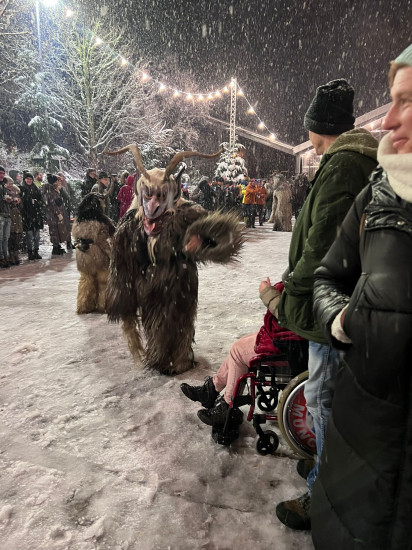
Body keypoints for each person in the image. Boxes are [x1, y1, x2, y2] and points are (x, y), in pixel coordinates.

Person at [310, 44, 412, 550]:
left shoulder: (343, 169)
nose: (388, 120)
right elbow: (327, 274)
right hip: (359, 454)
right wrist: (342, 321)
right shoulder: (378, 192)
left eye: (407, 102)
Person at [274, 79, 379, 531]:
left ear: (321, 127)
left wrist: (292, 289)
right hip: (340, 301)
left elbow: (323, 247)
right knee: (328, 399)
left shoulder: (344, 166)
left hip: (329, 305)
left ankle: (324, 495)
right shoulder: (349, 161)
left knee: (325, 402)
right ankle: (324, 469)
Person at [180, 281, 307, 424]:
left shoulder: (311, 276)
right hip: (294, 339)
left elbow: (289, 315)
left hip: (293, 344)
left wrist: (268, 292)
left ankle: (227, 407)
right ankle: (211, 389)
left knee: (238, 352)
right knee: (240, 344)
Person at [72, 193, 116, 314]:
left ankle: (84, 305)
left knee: (86, 280)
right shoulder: (102, 221)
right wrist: (111, 254)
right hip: (97, 254)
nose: (104, 205)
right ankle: (103, 304)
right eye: (102, 203)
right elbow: (102, 241)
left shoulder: (79, 219)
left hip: (82, 253)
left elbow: (75, 236)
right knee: (103, 280)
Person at [42, 173, 72, 255]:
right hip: (53, 214)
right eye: (57, 181)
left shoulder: (55, 190)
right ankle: (55, 247)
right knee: (54, 230)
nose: (59, 182)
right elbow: (52, 204)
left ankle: (57, 246)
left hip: (53, 214)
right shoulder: (51, 191)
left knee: (57, 229)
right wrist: (58, 213)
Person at [20, 172, 44, 260]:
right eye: (27, 179)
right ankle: (30, 252)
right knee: (29, 235)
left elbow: (41, 200)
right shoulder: (22, 189)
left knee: (37, 235)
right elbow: (21, 202)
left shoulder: (35, 189)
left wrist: (37, 203)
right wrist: (28, 201)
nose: (29, 181)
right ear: (24, 179)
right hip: (27, 215)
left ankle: (36, 251)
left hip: (36, 215)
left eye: (30, 179)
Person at [4, 176, 23, 265]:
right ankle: (10, 255)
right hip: (9, 214)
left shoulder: (16, 192)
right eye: (9, 184)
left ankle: (16, 254)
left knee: (17, 235)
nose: (10, 185)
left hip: (16, 215)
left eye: (11, 184)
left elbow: (20, 205)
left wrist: (18, 202)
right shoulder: (4, 192)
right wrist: (11, 202)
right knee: (10, 236)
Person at [0, 167, 13, 268]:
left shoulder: (4, 186)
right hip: (0, 214)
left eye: (3, 173)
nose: (2, 175)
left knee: (6, 237)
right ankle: (1, 257)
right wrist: (3, 200)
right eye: (0, 173)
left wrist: (12, 200)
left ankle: (6, 255)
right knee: (0, 237)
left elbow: (8, 198)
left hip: (7, 214)